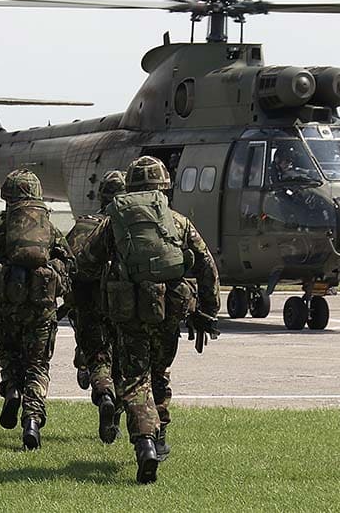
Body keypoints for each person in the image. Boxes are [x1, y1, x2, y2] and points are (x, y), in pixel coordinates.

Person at [79, 156, 220, 484]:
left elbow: (86, 262)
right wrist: (208, 311)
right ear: (163, 187)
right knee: (159, 371)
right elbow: (207, 266)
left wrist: (95, 294)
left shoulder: (114, 221)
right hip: (170, 309)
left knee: (135, 377)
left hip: (128, 311)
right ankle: (160, 435)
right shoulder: (178, 222)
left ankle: (144, 443)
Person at [0, 168, 74, 450]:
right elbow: (70, 265)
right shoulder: (49, 229)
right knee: (37, 365)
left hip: (3, 310)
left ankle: (12, 388)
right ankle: (32, 421)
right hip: (40, 311)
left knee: (9, 356)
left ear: (7, 197)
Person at [64, 170, 126, 444]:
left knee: (99, 358)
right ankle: (115, 418)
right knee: (123, 364)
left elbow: (66, 263)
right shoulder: (131, 227)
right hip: (124, 305)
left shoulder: (83, 225)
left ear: (102, 196)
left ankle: (104, 396)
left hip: (89, 305)